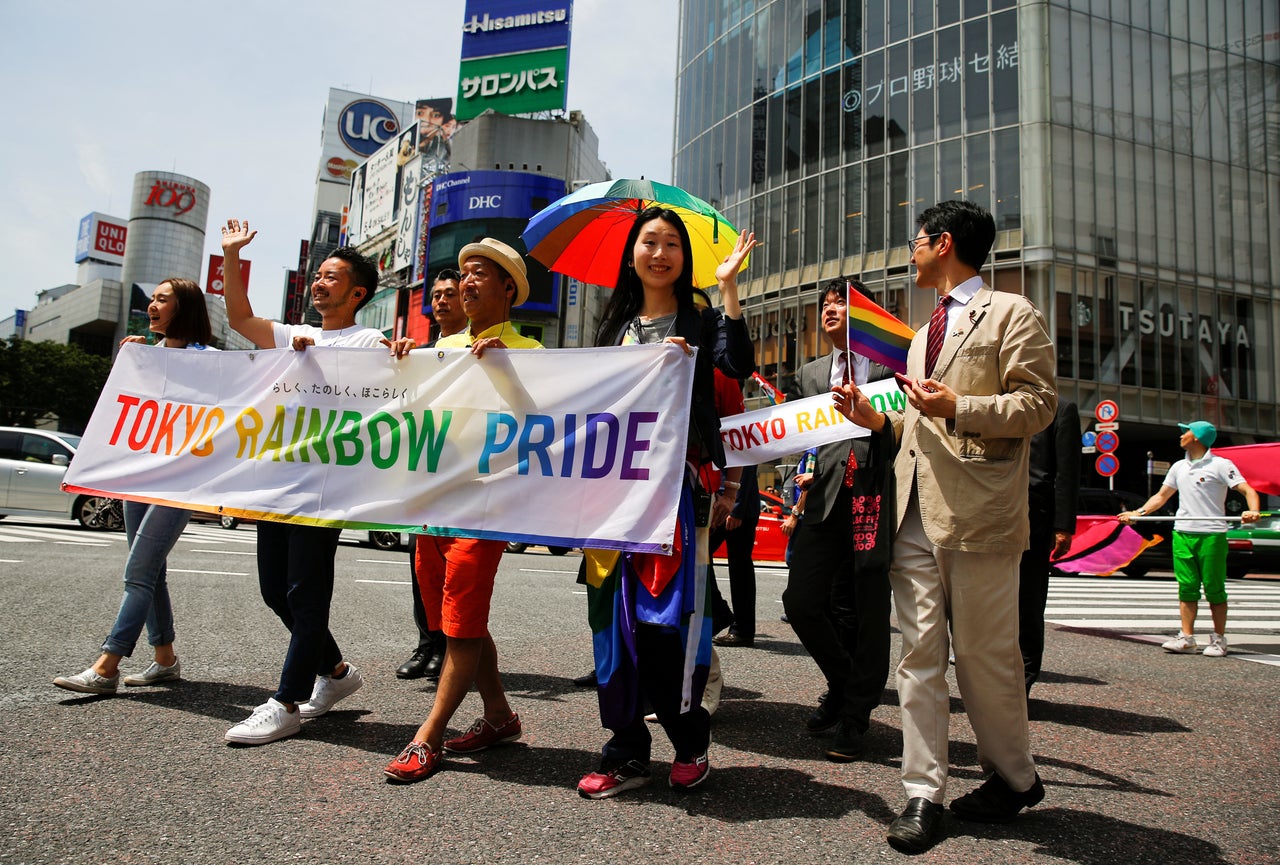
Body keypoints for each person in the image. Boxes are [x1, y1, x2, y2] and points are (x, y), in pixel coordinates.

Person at [834, 200, 1056, 853]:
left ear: (944, 242)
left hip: (979, 513)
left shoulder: (1012, 313)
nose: (911, 249)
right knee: (919, 654)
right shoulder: (919, 333)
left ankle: (1013, 777)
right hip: (913, 509)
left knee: (987, 658)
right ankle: (923, 790)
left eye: (917, 239)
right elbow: (918, 424)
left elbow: (1038, 404)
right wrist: (876, 420)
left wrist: (961, 404)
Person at [576, 208, 756, 799]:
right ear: (632, 254)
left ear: (685, 258)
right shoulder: (615, 328)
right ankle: (626, 747)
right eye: (649, 242)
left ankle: (689, 740)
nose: (659, 253)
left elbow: (738, 366)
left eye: (672, 244)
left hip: (674, 498)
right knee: (609, 630)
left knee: (661, 628)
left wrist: (728, 289)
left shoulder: (701, 321)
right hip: (611, 501)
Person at [218, 218, 406, 745]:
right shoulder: (292, 336)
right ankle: (339, 674)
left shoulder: (367, 338)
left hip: (324, 487)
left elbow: (400, 367)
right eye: (317, 275)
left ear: (358, 292)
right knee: (273, 591)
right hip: (275, 481)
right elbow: (239, 317)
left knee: (306, 595)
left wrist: (405, 351)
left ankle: (287, 701)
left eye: (331, 277)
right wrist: (232, 256)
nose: (319, 283)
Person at [383, 238, 543, 784]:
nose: (468, 282)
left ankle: (428, 736)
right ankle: (499, 716)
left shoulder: (531, 350)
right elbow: (409, 412)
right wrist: (404, 367)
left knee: (461, 614)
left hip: (487, 501)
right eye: (464, 273)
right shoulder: (440, 348)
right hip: (434, 498)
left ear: (508, 289)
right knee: (453, 617)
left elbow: (541, 419)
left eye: (481, 274)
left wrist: (503, 370)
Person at [54, 279, 216, 695]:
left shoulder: (211, 361)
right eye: (152, 299)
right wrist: (126, 364)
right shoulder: (142, 354)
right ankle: (165, 659)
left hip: (179, 483)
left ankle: (107, 665)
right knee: (152, 570)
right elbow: (121, 411)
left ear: (184, 309)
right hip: (139, 477)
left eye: (162, 299)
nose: (151, 306)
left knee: (139, 571)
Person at [782, 278, 896, 764]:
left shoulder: (895, 369)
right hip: (824, 499)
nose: (830, 311)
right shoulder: (809, 374)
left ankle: (854, 716)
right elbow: (799, 440)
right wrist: (795, 490)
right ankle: (846, 685)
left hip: (873, 497)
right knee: (802, 601)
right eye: (825, 306)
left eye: (842, 305)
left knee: (866, 610)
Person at [1119, 420, 1261, 656]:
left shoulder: (1221, 465)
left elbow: (1247, 490)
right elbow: (1161, 496)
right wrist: (1138, 513)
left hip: (1212, 535)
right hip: (1182, 533)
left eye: (1186, 431)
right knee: (1187, 588)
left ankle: (1218, 640)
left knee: (1214, 588)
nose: (1182, 435)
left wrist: (1252, 510)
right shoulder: (1178, 467)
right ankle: (1187, 638)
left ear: (1197, 437)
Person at [396, 269, 466, 682]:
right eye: (436, 295)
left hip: (460, 477)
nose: (441, 301)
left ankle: (448, 647)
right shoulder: (419, 353)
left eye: (450, 294)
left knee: (453, 571)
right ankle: (427, 643)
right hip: (422, 473)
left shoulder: (477, 350)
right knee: (420, 566)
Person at [1020, 399, 1081, 694]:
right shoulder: (993, 397)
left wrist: (1063, 525)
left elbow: (1067, 471)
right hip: (991, 510)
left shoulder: (1060, 408)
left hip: (1035, 515)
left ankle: (1023, 680)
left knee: (1027, 602)